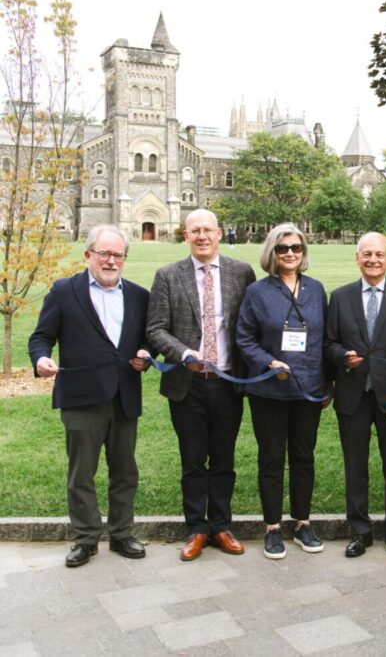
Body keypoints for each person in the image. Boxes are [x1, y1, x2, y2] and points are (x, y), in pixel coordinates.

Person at [28, 225, 151, 568]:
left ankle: (123, 533)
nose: (111, 261)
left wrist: (146, 353)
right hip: (81, 396)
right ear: (89, 255)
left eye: (118, 255)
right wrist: (40, 359)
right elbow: (41, 337)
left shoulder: (140, 295)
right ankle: (86, 538)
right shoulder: (65, 291)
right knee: (82, 472)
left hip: (125, 395)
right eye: (104, 254)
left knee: (125, 470)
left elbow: (150, 339)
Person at [147, 209, 256, 561]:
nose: (202, 236)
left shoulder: (242, 273)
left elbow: (251, 325)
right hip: (187, 383)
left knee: (223, 458)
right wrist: (183, 353)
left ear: (219, 234)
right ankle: (196, 528)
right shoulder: (167, 275)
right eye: (195, 231)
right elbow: (155, 329)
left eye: (207, 230)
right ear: (186, 236)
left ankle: (221, 525)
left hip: (227, 382)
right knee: (193, 460)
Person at [236, 223, 329, 560]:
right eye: (282, 248)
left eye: (296, 248)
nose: (290, 253)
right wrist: (267, 362)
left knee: (304, 457)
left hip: (308, 390)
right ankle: (272, 527)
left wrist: (327, 384)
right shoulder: (257, 293)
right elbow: (244, 338)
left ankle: (303, 523)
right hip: (269, 392)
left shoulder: (316, 290)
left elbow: (324, 340)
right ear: (272, 253)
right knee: (272, 459)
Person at [326, 232, 386, 558]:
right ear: (357, 258)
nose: (373, 260)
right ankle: (360, 531)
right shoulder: (339, 297)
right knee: (355, 466)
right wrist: (342, 357)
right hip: (352, 396)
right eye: (366, 254)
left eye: (379, 254)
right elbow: (329, 343)